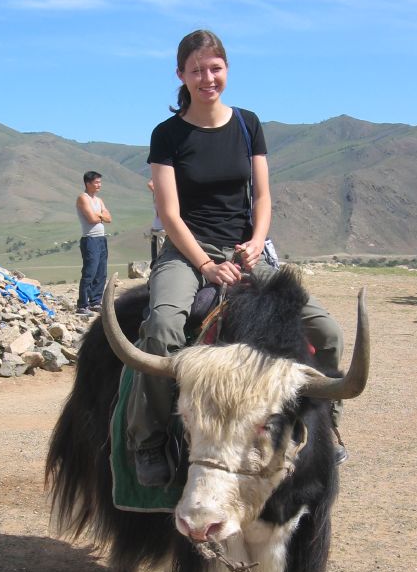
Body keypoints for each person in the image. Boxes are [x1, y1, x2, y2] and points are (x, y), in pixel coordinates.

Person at [127, 29, 345, 486]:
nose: (207, 78)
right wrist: (205, 265)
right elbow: (168, 212)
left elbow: (263, 197)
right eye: (196, 70)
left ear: (226, 69)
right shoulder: (167, 134)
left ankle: (324, 426)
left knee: (327, 331)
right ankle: (147, 438)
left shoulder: (248, 123)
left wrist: (255, 241)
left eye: (215, 68)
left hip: (247, 250)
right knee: (164, 326)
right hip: (189, 252)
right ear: (181, 75)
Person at [76, 170, 112, 316]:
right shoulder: (83, 198)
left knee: (101, 272)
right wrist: (100, 215)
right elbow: (91, 219)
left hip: (101, 238)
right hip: (90, 239)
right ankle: (82, 305)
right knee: (90, 272)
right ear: (88, 183)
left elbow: (109, 218)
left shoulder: (99, 200)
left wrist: (99, 215)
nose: (99, 185)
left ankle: (95, 302)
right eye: (96, 182)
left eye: (100, 182)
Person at [147, 178, 166, 267]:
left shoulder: (163, 193)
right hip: (157, 228)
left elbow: (150, 184)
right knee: (156, 254)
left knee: (162, 253)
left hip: (162, 229)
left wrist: (157, 174)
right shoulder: (159, 194)